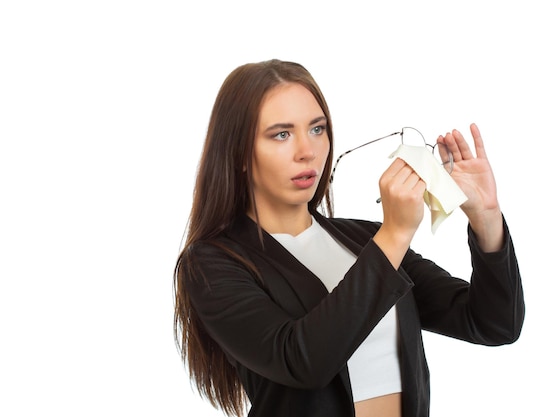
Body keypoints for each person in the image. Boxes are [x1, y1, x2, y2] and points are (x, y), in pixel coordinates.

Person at [173, 59, 524, 417]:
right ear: (239, 153)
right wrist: (395, 233)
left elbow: (494, 324)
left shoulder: (364, 239)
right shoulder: (212, 263)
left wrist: (486, 219)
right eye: (281, 134)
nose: (307, 151)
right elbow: (303, 361)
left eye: (317, 129)